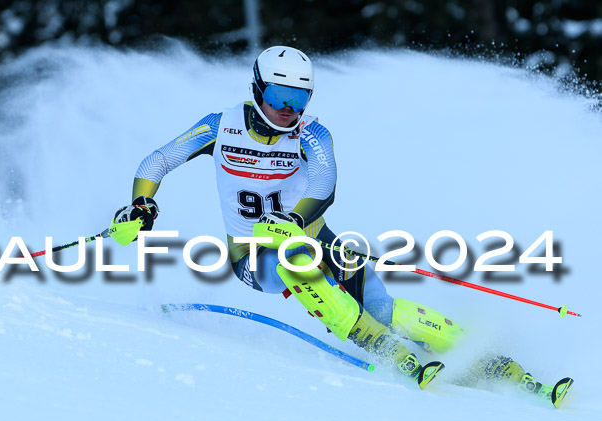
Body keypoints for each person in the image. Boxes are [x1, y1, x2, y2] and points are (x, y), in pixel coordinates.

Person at [110, 46, 572, 402]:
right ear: (257, 89)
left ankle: (496, 363)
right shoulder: (220, 126)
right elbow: (157, 160)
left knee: (381, 304)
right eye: (278, 96)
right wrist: (141, 206)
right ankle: (380, 345)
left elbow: (325, 183)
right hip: (252, 256)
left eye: (299, 99)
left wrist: (292, 220)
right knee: (295, 261)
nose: (288, 109)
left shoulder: (312, 133)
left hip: (313, 236)